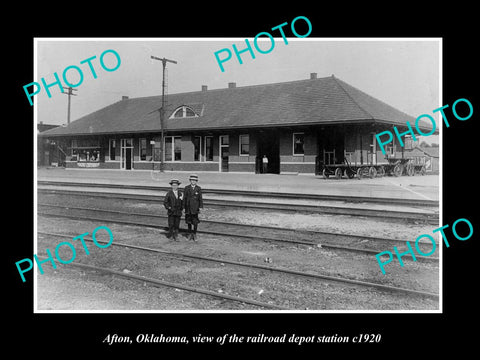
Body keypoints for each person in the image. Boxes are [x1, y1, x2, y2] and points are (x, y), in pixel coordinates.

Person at [183, 174, 204, 241]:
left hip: (195, 208)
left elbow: (200, 198)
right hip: (188, 207)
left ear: (196, 181)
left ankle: (194, 234)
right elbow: (184, 198)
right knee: (189, 221)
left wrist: (200, 207)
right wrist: (183, 207)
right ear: (190, 181)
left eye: (195, 180)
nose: (193, 182)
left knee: (195, 222)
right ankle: (189, 234)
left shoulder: (198, 188)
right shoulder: (187, 188)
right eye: (192, 180)